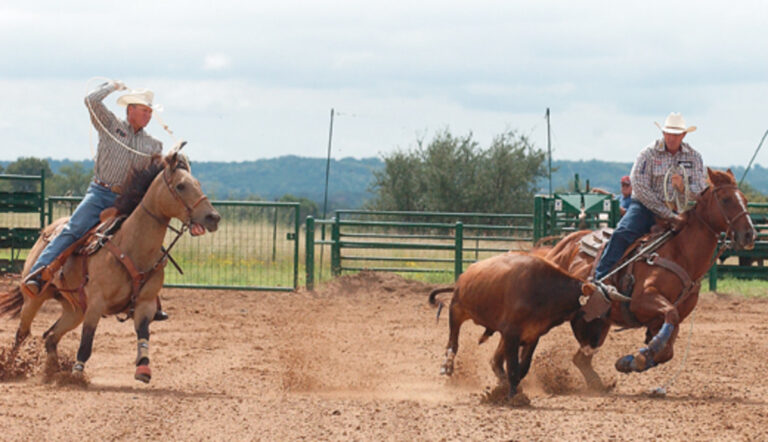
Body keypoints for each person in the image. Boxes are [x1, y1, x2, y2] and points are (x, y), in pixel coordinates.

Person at [22, 80, 172, 320]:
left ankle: (150, 298)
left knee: (149, 241)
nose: (148, 114)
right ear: (130, 109)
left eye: (150, 111)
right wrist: (111, 87)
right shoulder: (110, 125)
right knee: (73, 230)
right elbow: (91, 100)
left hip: (129, 200)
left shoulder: (154, 145)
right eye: (144, 110)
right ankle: (39, 274)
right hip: (100, 193)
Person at [594, 112, 706, 295]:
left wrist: (683, 188)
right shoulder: (648, 154)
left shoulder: (694, 157)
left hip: (682, 211)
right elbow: (639, 185)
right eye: (668, 133)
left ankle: (691, 284)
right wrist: (668, 214)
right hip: (646, 208)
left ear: (683, 135)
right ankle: (600, 278)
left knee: (700, 242)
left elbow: (700, 189)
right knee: (622, 233)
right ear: (663, 133)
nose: (671, 137)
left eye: (676, 134)